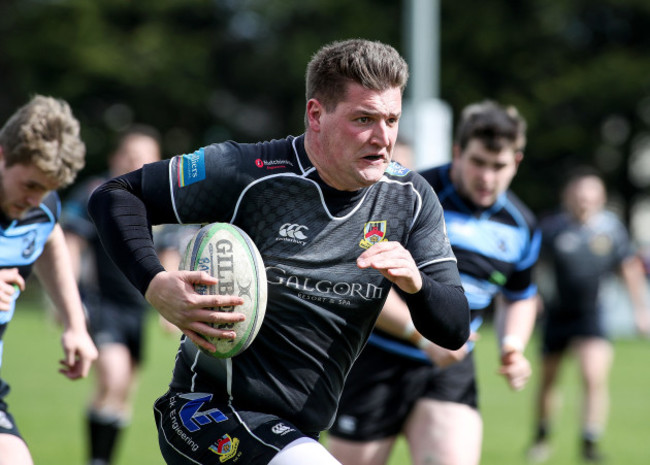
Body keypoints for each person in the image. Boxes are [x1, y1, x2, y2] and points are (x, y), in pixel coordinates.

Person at [87, 38, 470, 465]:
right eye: (364, 119)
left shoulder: (410, 199)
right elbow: (115, 195)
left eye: (392, 120)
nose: (383, 138)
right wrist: (154, 282)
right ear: (316, 114)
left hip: (298, 433)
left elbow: (454, 329)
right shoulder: (247, 172)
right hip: (207, 413)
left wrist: (417, 286)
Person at [328, 100, 541, 465]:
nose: (487, 177)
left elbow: (520, 295)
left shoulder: (521, 225)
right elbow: (360, 277)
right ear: (457, 152)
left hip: (450, 367)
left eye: (499, 166)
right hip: (377, 356)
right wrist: (421, 336)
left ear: (516, 163)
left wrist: (512, 345)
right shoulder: (409, 196)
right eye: (477, 162)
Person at [61, 125, 186, 465]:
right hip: (101, 303)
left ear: (156, 162)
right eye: (129, 155)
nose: (135, 162)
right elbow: (69, 243)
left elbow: (170, 253)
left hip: (137, 309)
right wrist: (68, 299)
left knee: (122, 393)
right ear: (116, 157)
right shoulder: (95, 193)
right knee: (113, 378)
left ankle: (102, 458)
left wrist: (171, 309)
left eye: (144, 157)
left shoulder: (162, 202)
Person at [527, 166, 650, 463]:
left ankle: (589, 442)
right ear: (568, 196)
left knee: (593, 376)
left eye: (590, 195)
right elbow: (533, 266)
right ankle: (542, 437)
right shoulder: (552, 227)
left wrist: (641, 310)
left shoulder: (611, 230)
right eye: (579, 195)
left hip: (592, 314)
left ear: (600, 198)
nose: (584, 201)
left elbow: (629, 269)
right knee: (548, 380)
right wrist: (533, 299)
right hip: (557, 314)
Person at [0, 95, 98, 465]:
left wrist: (76, 324)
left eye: (46, 189)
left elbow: (50, 237)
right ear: (2, 156)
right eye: (29, 185)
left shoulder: (41, 208)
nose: (34, 199)